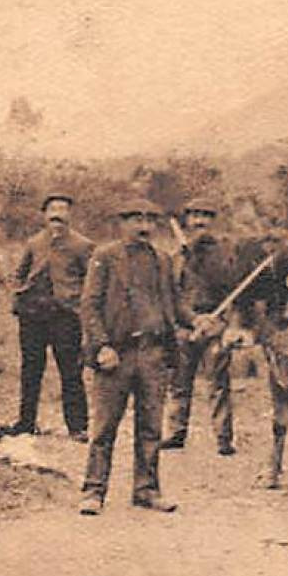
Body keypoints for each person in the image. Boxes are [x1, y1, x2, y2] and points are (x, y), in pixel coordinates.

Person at [78, 198, 218, 515]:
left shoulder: (163, 260)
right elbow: (89, 306)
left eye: (149, 221)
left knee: (151, 428)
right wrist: (102, 346)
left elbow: (176, 304)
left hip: (154, 355)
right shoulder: (104, 257)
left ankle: (147, 490)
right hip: (117, 355)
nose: (144, 227)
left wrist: (196, 319)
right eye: (136, 220)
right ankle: (93, 491)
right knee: (104, 428)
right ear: (122, 223)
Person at [0, 191, 94, 441]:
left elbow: (93, 282)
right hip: (33, 315)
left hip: (65, 317)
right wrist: (19, 293)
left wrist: (79, 303)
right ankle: (25, 422)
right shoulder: (34, 243)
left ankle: (78, 427)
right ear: (44, 215)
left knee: (70, 371)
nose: (57, 215)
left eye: (63, 209)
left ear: (70, 215)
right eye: (52, 210)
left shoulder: (82, 245)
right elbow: (18, 274)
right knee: (31, 368)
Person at [161, 198, 237, 456]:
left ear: (212, 221)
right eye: (195, 216)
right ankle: (175, 433)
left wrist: (218, 323)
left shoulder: (224, 254)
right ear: (187, 220)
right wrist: (187, 321)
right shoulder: (176, 257)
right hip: (184, 328)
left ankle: (223, 438)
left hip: (214, 325)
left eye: (206, 216)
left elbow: (232, 292)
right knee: (178, 382)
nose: (200, 221)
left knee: (218, 383)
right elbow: (171, 294)